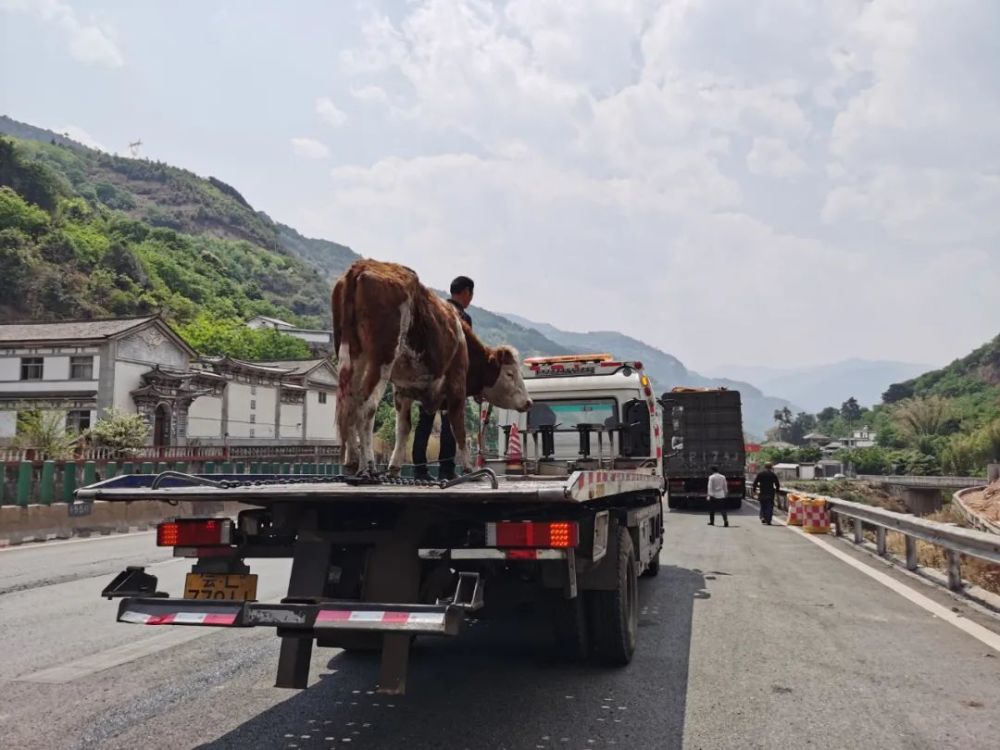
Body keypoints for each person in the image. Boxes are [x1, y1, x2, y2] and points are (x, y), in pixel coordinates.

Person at [412, 276, 475, 481]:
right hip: (450, 379)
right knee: (450, 422)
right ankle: (446, 469)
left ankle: (419, 470)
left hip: (429, 376)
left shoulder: (436, 311)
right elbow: (467, 354)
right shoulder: (462, 318)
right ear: (466, 292)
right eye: (471, 294)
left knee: (425, 422)